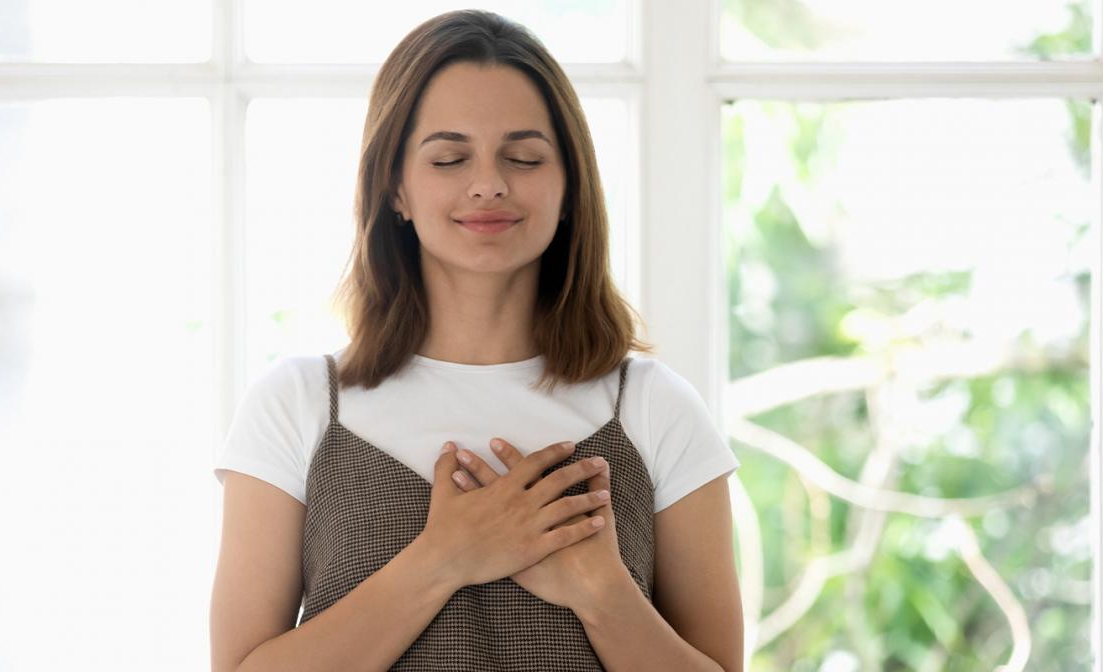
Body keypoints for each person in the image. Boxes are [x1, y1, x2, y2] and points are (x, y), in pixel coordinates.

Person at [210, 9, 742, 671]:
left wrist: (602, 591)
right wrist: (444, 560)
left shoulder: (654, 409)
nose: (488, 182)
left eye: (523, 156)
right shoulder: (297, 405)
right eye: (449, 157)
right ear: (396, 188)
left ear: (568, 185)